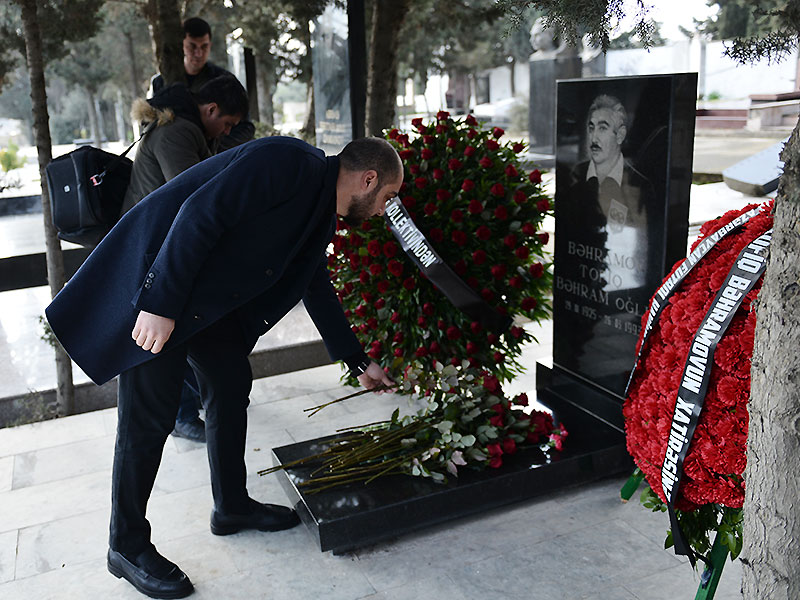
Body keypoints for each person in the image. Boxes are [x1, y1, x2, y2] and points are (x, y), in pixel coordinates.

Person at [45, 136, 402, 599]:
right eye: (388, 196)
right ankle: (126, 545)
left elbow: (313, 281)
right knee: (147, 420)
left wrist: (357, 360)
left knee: (231, 386)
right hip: (164, 287)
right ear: (368, 179)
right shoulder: (286, 162)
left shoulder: (320, 207)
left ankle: (231, 506)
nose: (384, 210)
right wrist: (159, 304)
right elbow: (200, 213)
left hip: (206, 307)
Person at [121, 74, 249, 443]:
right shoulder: (178, 132)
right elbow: (194, 195)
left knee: (185, 333)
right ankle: (184, 415)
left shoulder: (187, 130)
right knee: (170, 338)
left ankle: (203, 402)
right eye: (227, 123)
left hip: (162, 245)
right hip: (153, 250)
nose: (227, 132)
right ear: (211, 109)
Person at [150, 16, 255, 151]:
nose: (198, 53)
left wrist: (212, 147)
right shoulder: (161, 82)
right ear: (182, 45)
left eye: (204, 47)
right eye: (192, 46)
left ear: (210, 45)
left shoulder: (225, 81)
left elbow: (246, 127)